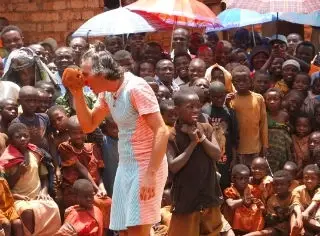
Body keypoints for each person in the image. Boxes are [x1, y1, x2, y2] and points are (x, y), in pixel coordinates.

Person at [62, 48, 169, 236]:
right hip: (126, 165)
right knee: (124, 230)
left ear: (102, 73)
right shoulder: (107, 93)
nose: (82, 79)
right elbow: (88, 125)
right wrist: (77, 93)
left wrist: (150, 175)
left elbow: (161, 130)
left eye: (85, 75)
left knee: (137, 229)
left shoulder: (136, 88)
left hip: (147, 165)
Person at [166, 89, 223, 236]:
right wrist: (192, 144)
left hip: (208, 192)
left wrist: (202, 138)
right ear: (177, 110)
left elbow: (217, 154)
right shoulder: (171, 135)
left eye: (198, 106)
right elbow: (173, 166)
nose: (196, 110)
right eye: (190, 107)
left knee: (212, 231)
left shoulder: (206, 128)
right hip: (186, 198)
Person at [0, 123, 61, 236]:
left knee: (53, 207)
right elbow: (6, 187)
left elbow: (44, 178)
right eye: (18, 137)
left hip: (37, 196)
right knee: (27, 211)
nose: (23, 139)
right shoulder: (6, 160)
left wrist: (44, 191)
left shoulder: (36, 153)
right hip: (16, 198)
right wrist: (19, 172)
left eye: (25, 136)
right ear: (11, 140)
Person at [58, 116, 112, 231]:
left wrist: (102, 189)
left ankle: (102, 232)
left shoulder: (93, 147)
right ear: (68, 133)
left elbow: (98, 173)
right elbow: (81, 168)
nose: (78, 136)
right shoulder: (65, 147)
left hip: (93, 189)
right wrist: (96, 189)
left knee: (107, 202)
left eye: (81, 132)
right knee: (97, 203)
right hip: (75, 190)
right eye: (74, 133)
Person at [230, 65, 268, 166]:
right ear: (233, 82)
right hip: (238, 148)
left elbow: (263, 123)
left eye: (245, 80)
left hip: (255, 147)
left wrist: (265, 144)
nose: (241, 83)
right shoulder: (231, 99)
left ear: (250, 81)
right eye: (238, 81)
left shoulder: (258, 98)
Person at [206, 81, 239, 190]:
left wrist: (234, 159)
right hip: (210, 157)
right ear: (210, 96)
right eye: (215, 97)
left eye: (221, 96)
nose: (219, 100)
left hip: (226, 156)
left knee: (225, 183)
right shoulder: (205, 111)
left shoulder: (230, 112)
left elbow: (234, 138)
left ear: (225, 95)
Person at [223, 164, 265, 234]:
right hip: (234, 222)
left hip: (250, 222)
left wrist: (259, 204)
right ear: (233, 179)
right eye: (240, 178)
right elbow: (231, 204)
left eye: (246, 178)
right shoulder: (230, 190)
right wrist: (243, 200)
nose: (243, 181)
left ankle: (254, 231)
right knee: (236, 207)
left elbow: (260, 204)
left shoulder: (252, 189)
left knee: (255, 207)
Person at [250, 170, 293, 236]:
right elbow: (271, 219)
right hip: (278, 228)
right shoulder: (272, 200)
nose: (278, 187)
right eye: (276, 185)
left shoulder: (293, 196)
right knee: (267, 232)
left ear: (289, 184)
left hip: (293, 225)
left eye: (282, 184)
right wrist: (265, 212)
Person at [264, 88, 292, 172]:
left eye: (275, 99)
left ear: (281, 101)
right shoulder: (264, 115)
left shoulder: (285, 115)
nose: (272, 102)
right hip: (268, 149)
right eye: (269, 99)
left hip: (281, 149)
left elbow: (288, 132)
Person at [291, 164, 320, 235]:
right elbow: (295, 203)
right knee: (294, 211)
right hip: (303, 217)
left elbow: (315, 201)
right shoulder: (298, 190)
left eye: (313, 178)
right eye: (306, 178)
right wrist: (299, 215)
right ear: (303, 179)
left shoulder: (319, 190)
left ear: (318, 180)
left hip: (315, 219)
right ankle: (295, 230)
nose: (309, 181)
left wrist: (306, 212)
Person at [100, 116, 119, 197]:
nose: (115, 130)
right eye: (112, 127)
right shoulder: (103, 140)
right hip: (109, 176)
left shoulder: (126, 139)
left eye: (117, 127)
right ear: (106, 127)